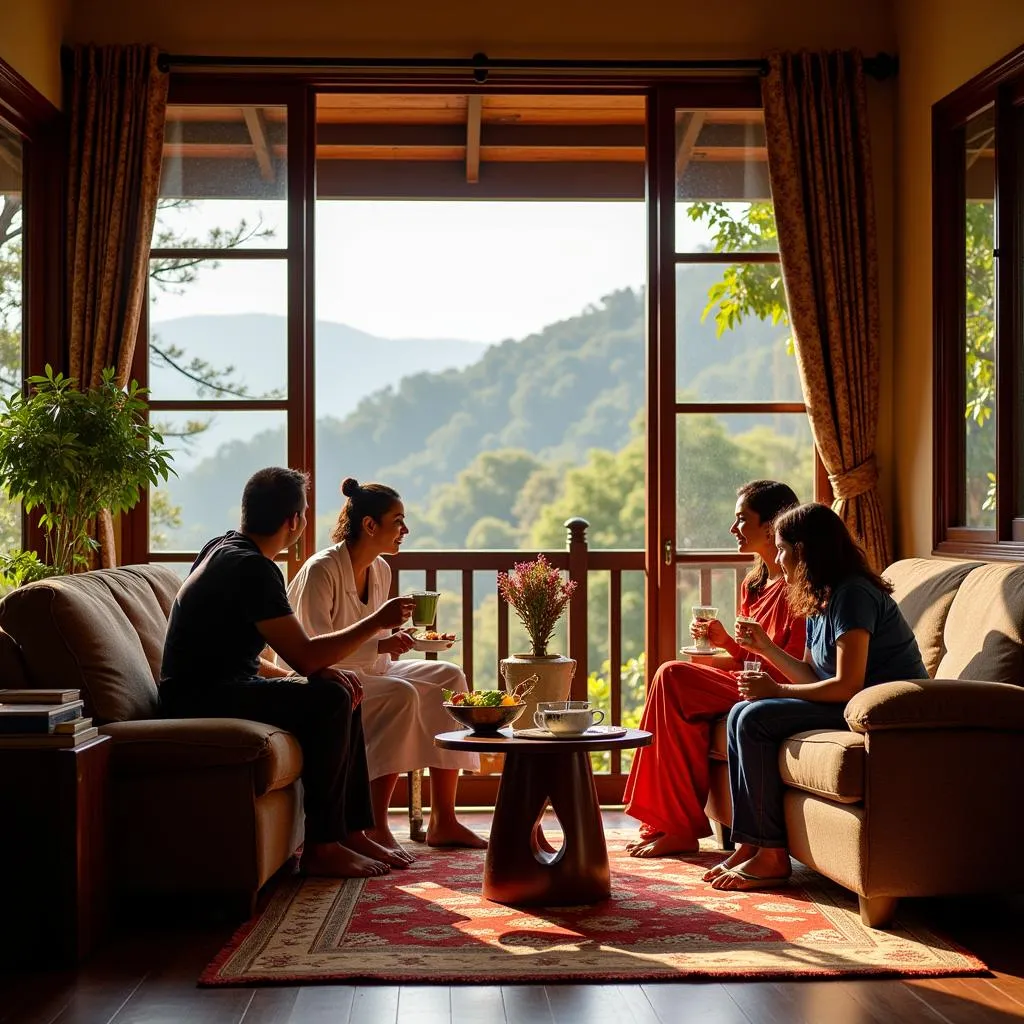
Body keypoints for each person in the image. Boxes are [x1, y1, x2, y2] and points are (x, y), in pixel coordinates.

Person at [160, 466, 416, 879]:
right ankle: (323, 847)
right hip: (199, 697)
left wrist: (310, 676)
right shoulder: (254, 570)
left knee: (340, 686)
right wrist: (377, 621)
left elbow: (237, 653)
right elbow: (307, 657)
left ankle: (351, 831)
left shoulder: (223, 547)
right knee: (331, 695)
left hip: (210, 686)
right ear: (294, 521)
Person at [707, 502, 928, 892]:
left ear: (803, 551)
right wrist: (765, 649)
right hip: (845, 703)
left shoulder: (853, 595)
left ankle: (772, 856)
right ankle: (750, 843)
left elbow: (848, 684)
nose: (776, 558)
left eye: (781, 549)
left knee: (754, 717)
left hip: (881, 713)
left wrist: (776, 691)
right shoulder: (817, 596)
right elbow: (812, 673)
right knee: (744, 711)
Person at [283, 477, 486, 860]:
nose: (405, 530)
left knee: (449, 678)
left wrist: (400, 639)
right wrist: (381, 641)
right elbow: (311, 653)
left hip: (371, 670)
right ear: (370, 525)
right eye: (398, 521)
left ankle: (444, 819)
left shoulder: (380, 570)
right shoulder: (322, 571)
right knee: (401, 694)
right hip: (317, 680)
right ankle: (376, 823)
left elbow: (377, 647)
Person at [623, 480, 804, 858]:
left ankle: (677, 826)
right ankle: (671, 823)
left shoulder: (798, 585)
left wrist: (732, 652)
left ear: (772, 527)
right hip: (749, 676)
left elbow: (790, 668)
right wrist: (722, 643)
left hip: (778, 685)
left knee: (672, 675)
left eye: (741, 520)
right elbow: (746, 657)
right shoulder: (754, 583)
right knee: (675, 681)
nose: (732, 529)